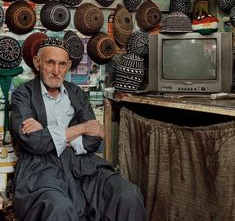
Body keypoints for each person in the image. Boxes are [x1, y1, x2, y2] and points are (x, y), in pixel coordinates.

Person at [10, 37, 147, 221]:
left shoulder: (77, 93)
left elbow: (93, 139)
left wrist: (47, 132)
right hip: (40, 168)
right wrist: (81, 128)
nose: (56, 71)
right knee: (59, 207)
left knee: (127, 194)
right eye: (50, 63)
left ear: (68, 66)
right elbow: (33, 142)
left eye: (62, 64)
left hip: (82, 164)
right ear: (37, 62)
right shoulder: (23, 94)